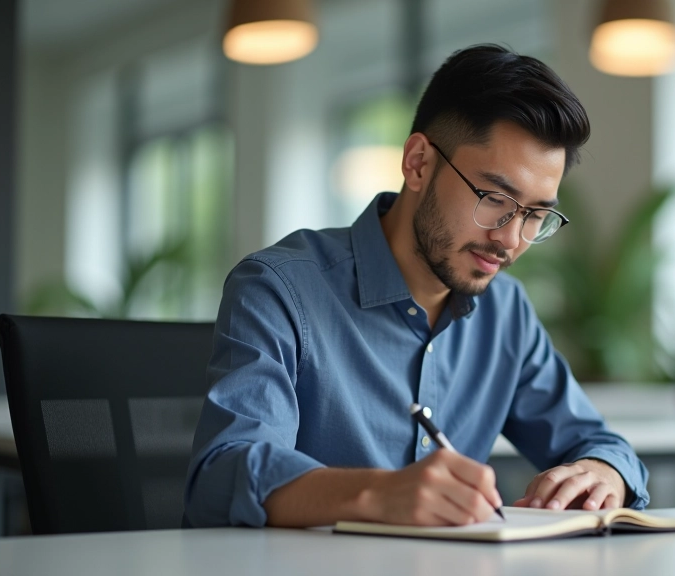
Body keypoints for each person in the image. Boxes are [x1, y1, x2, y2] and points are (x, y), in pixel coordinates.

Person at [184, 43, 649, 529]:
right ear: (419, 163)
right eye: (494, 199)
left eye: (536, 215)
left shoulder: (505, 311)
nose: (510, 239)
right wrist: (380, 494)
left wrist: (602, 471)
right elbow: (222, 476)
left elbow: (596, 443)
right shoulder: (279, 289)